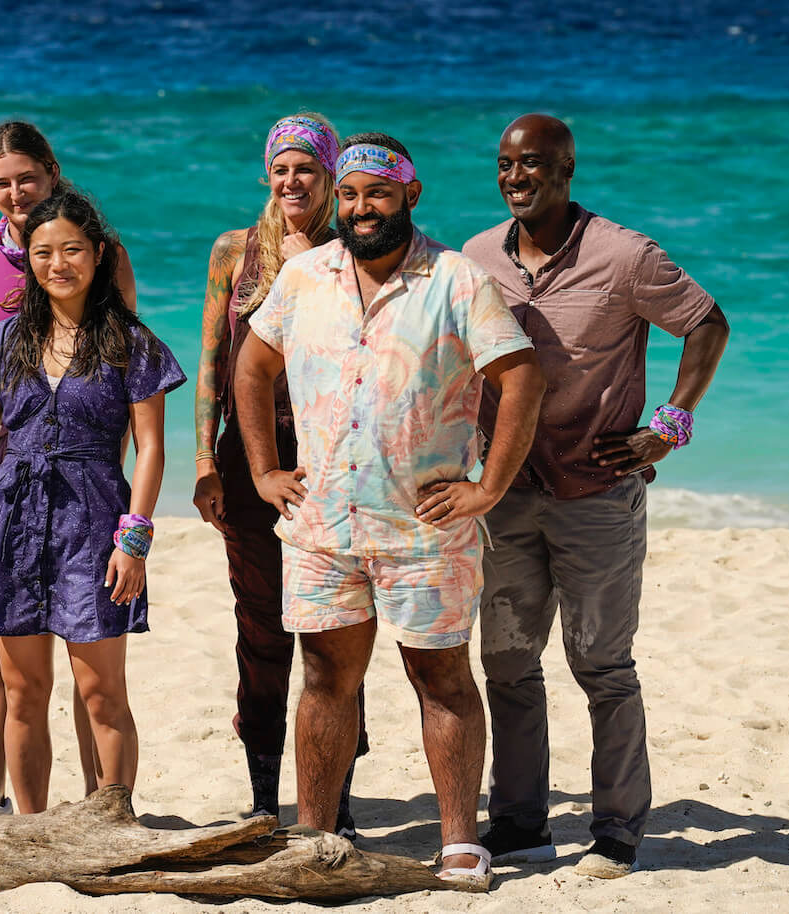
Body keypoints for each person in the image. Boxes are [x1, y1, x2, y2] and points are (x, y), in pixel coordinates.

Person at [235, 133, 545, 887]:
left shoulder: (456, 280)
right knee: (324, 679)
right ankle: (314, 837)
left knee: (440, 678)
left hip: (424, 528)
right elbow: (251, 365)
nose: (360, 207)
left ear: (410, 193)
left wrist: (489, 487)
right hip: (321, 526)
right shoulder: (306, 275)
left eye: (377, 192)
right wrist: (264, 470)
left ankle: (459, 842)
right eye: (348, 194)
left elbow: (522, 379)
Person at [463, 113, 730, 878]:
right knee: (508, 664)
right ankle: (517, 823)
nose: (517, 177)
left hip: (598, 492)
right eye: (507, 165)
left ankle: (617, 829)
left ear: (567, 170)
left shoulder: (625, 255)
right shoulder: (478, 257)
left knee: (602, 666)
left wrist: (668, 427)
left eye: (535, 165)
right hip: (506, 494)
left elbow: (707, 324)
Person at [0, 189, 184, 814]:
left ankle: (110, 820)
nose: (58, 264)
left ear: (100, 254)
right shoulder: (4, 341)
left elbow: (150, 448)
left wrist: (133, 540)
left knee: (101, 691)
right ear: (27, 260)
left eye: (72, 250)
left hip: (94, 524)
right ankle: (34, 832)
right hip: (10, 521)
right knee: (24, 690)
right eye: (43, 253)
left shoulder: (131, 345)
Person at [0, 121, 138, 814]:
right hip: (2, 487)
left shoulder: (101, 254)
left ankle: (99, 806)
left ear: (53, 172)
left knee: (93, 667)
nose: (17, 192)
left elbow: (115, 385)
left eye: (28, 177)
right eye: (2, 182)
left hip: (83, 487)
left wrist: (107, 498)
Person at [192, 113, 367, 833]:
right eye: (281, 169)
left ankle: (338, 797)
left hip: (332, 462)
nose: (292, 181)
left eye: (307, 170)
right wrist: (204, 458)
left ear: (329, 178)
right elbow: (211, 361)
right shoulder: (235, 253)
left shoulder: (356, 250)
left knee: (338, 628)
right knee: (260, 628)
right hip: (247, 462)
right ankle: (266, 796)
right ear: (268, 175)